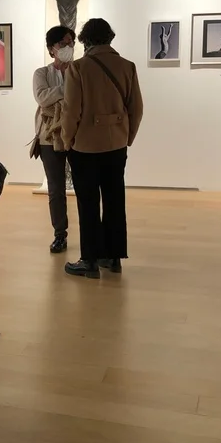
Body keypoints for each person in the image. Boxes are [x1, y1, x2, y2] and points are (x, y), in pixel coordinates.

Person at [61, 18, 143, 279]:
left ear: (85, 40)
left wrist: (66, 140)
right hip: (116, 145)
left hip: (85, 147)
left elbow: (71, 111)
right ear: (110, 38)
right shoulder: (127, 66)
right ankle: (113, 258)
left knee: (87, 203)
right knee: (115, 199)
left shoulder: (78, 68)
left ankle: (89, 261)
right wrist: (127, 137)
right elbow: (136, 108)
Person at [33, 25, 75, 253]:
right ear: (51, 49)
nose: (68, 47)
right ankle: (60, 234)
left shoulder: (79, 70)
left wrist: (57, 95)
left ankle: (90, 236)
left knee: (84, 186)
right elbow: (42, 98)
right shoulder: (41, 73)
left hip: (76, 135)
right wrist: (68, 89)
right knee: (56, 189)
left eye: (71, 42)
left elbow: (82, 100)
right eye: (63, 43)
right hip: (49, 137)